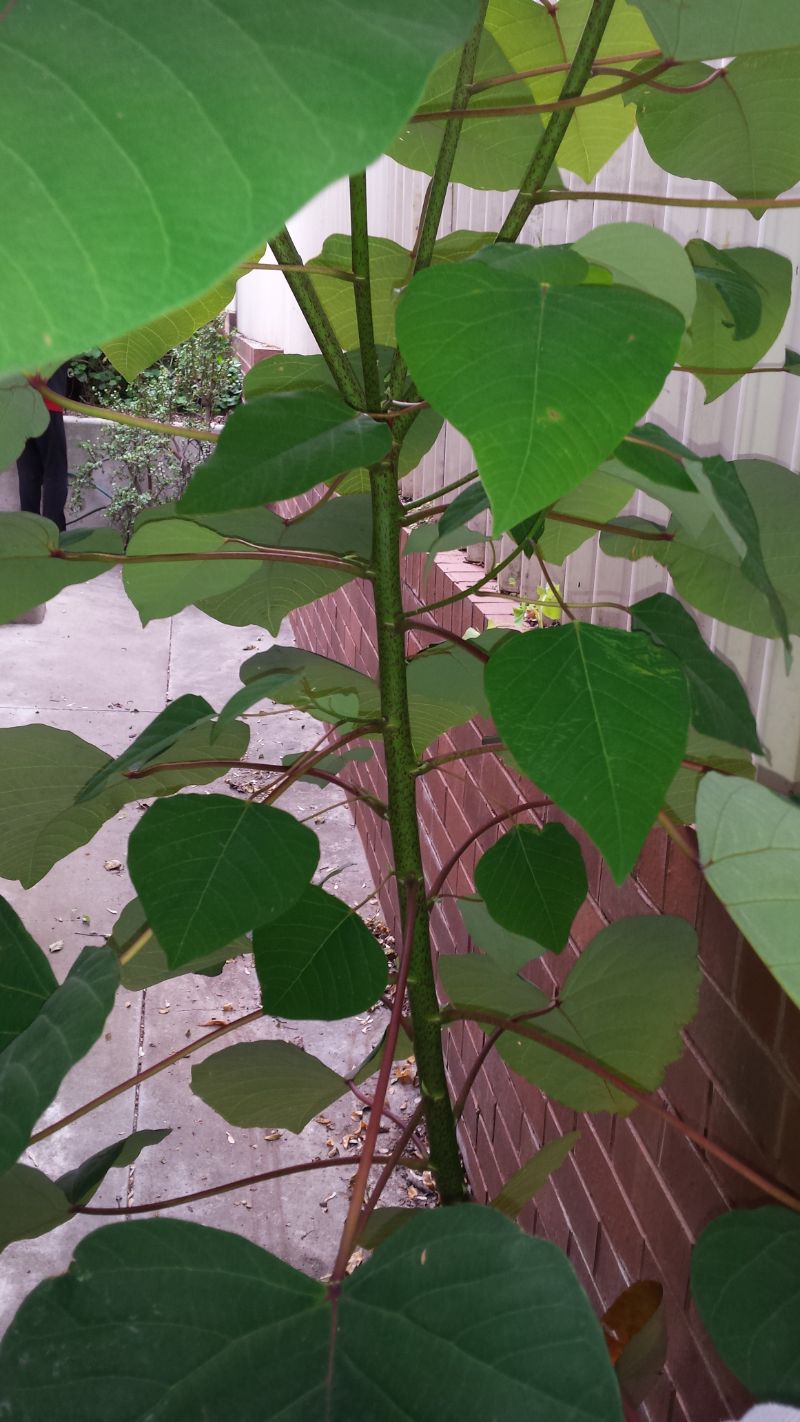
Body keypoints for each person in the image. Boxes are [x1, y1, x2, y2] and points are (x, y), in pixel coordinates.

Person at [16, 362, 70, 531]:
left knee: (28, 473)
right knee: (55, 471)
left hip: (20, 404)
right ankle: (54, 533)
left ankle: (29, 533)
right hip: (48, 403)